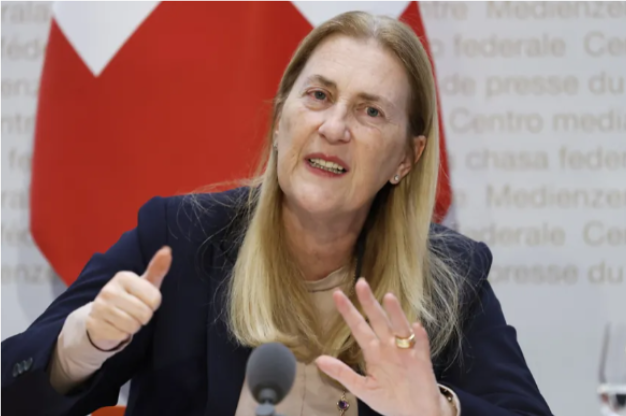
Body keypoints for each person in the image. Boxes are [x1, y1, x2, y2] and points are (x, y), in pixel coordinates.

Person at [0, 11, 553, 416]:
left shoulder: (449, 275)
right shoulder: (181, 239)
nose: (333, 127)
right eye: (318, 96)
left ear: (406, 159)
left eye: (370, 111)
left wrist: (437, 409)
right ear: (281, 116)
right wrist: (78, 347)